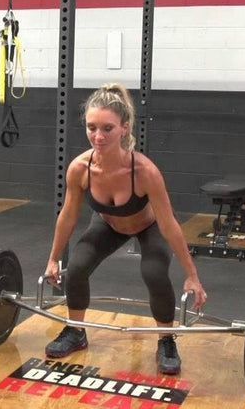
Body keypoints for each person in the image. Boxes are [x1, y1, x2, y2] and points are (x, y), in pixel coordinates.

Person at [43, 83, 207, 375]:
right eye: (92, 127)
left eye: (107, 128)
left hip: (149, 225)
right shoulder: (79, 168)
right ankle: (76, 330)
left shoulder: (144, 172)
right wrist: (53, 258)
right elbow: (68, 215)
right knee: (77, 266)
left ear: (124, 128)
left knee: (154, 271)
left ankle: (166, 340)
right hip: (108, 224)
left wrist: (192, 276)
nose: (98, 136)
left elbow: (169, 224)